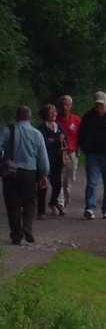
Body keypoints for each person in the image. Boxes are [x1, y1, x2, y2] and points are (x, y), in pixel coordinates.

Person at [0, 106, 49, 245]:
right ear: (30, 118)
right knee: (30, 201)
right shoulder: (37, 134)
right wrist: (44, 175)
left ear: (16, 117)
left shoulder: (7, 130)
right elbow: (43, 159)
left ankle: (16, 234)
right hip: (29, 172)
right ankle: (27, 226)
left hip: (11, 171)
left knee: (13, 203)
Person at [78, 91, 106, 219]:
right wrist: (86, 149)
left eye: (101, 105)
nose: (99, 108)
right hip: (93, 154)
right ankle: (90, 208)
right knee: (92, 182)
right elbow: (81, 134)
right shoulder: (89, 117)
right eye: (97, 105)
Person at [36, 103, 66, 218]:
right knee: (43, 185)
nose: (54, 114)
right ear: (45, 114)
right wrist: (56, 140)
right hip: (44, 160)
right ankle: (41, 211)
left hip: (57, 160)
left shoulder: (58, 126)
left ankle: (53, 202)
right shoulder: (41, 128)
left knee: (58, 185)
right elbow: (43, 142)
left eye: (55, 112)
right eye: (51, 112)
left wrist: (54, 141)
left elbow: (64, 138)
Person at [55, 94, 80, 212]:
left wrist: (78, 151)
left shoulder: (76, 120)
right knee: (59, 178)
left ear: (70, 106)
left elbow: (80, 137)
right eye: (63, 105)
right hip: (59, 153)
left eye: (67, 105)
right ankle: (60, 203)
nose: (64, 107)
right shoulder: (56, 120)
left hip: (71, 153)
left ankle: (66, 200)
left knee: (68, 180)